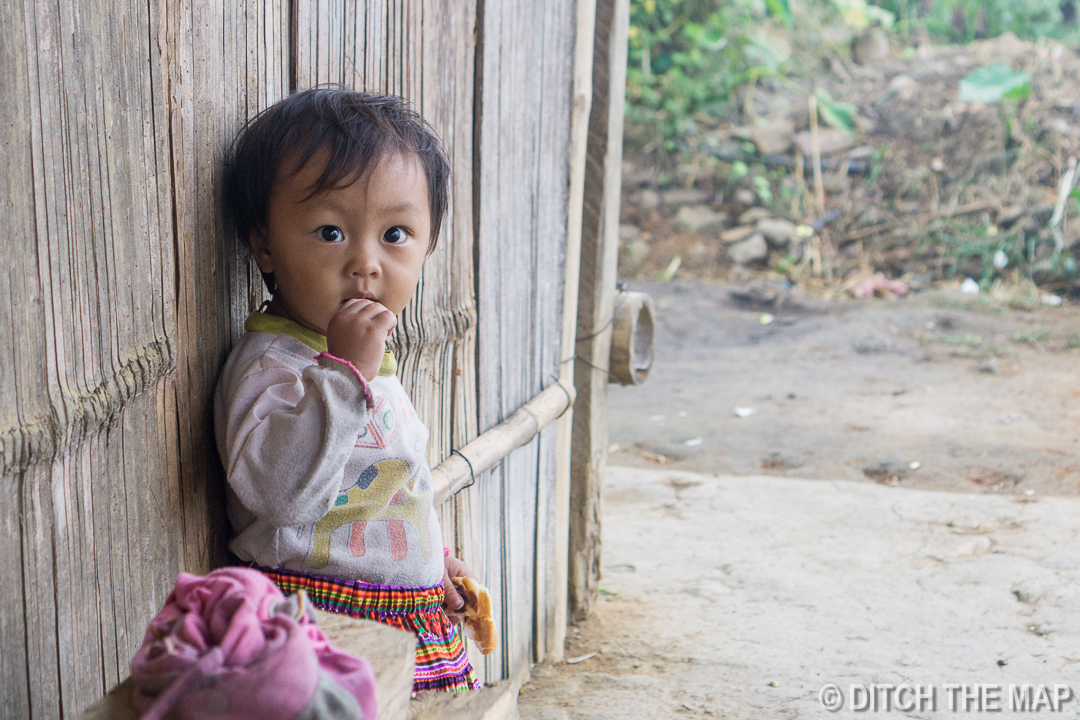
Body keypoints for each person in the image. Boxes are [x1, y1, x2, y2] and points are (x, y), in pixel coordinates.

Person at [215, 87, 480, 694]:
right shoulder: (273, 366)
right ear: (264, 244)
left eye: (396, 234)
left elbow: (393, 483)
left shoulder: (372, 364)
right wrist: (341, 373)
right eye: (331, 232)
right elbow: (280, 497)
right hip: (320, 623)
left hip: (408, 614)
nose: (366, 263)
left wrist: (432, 563)